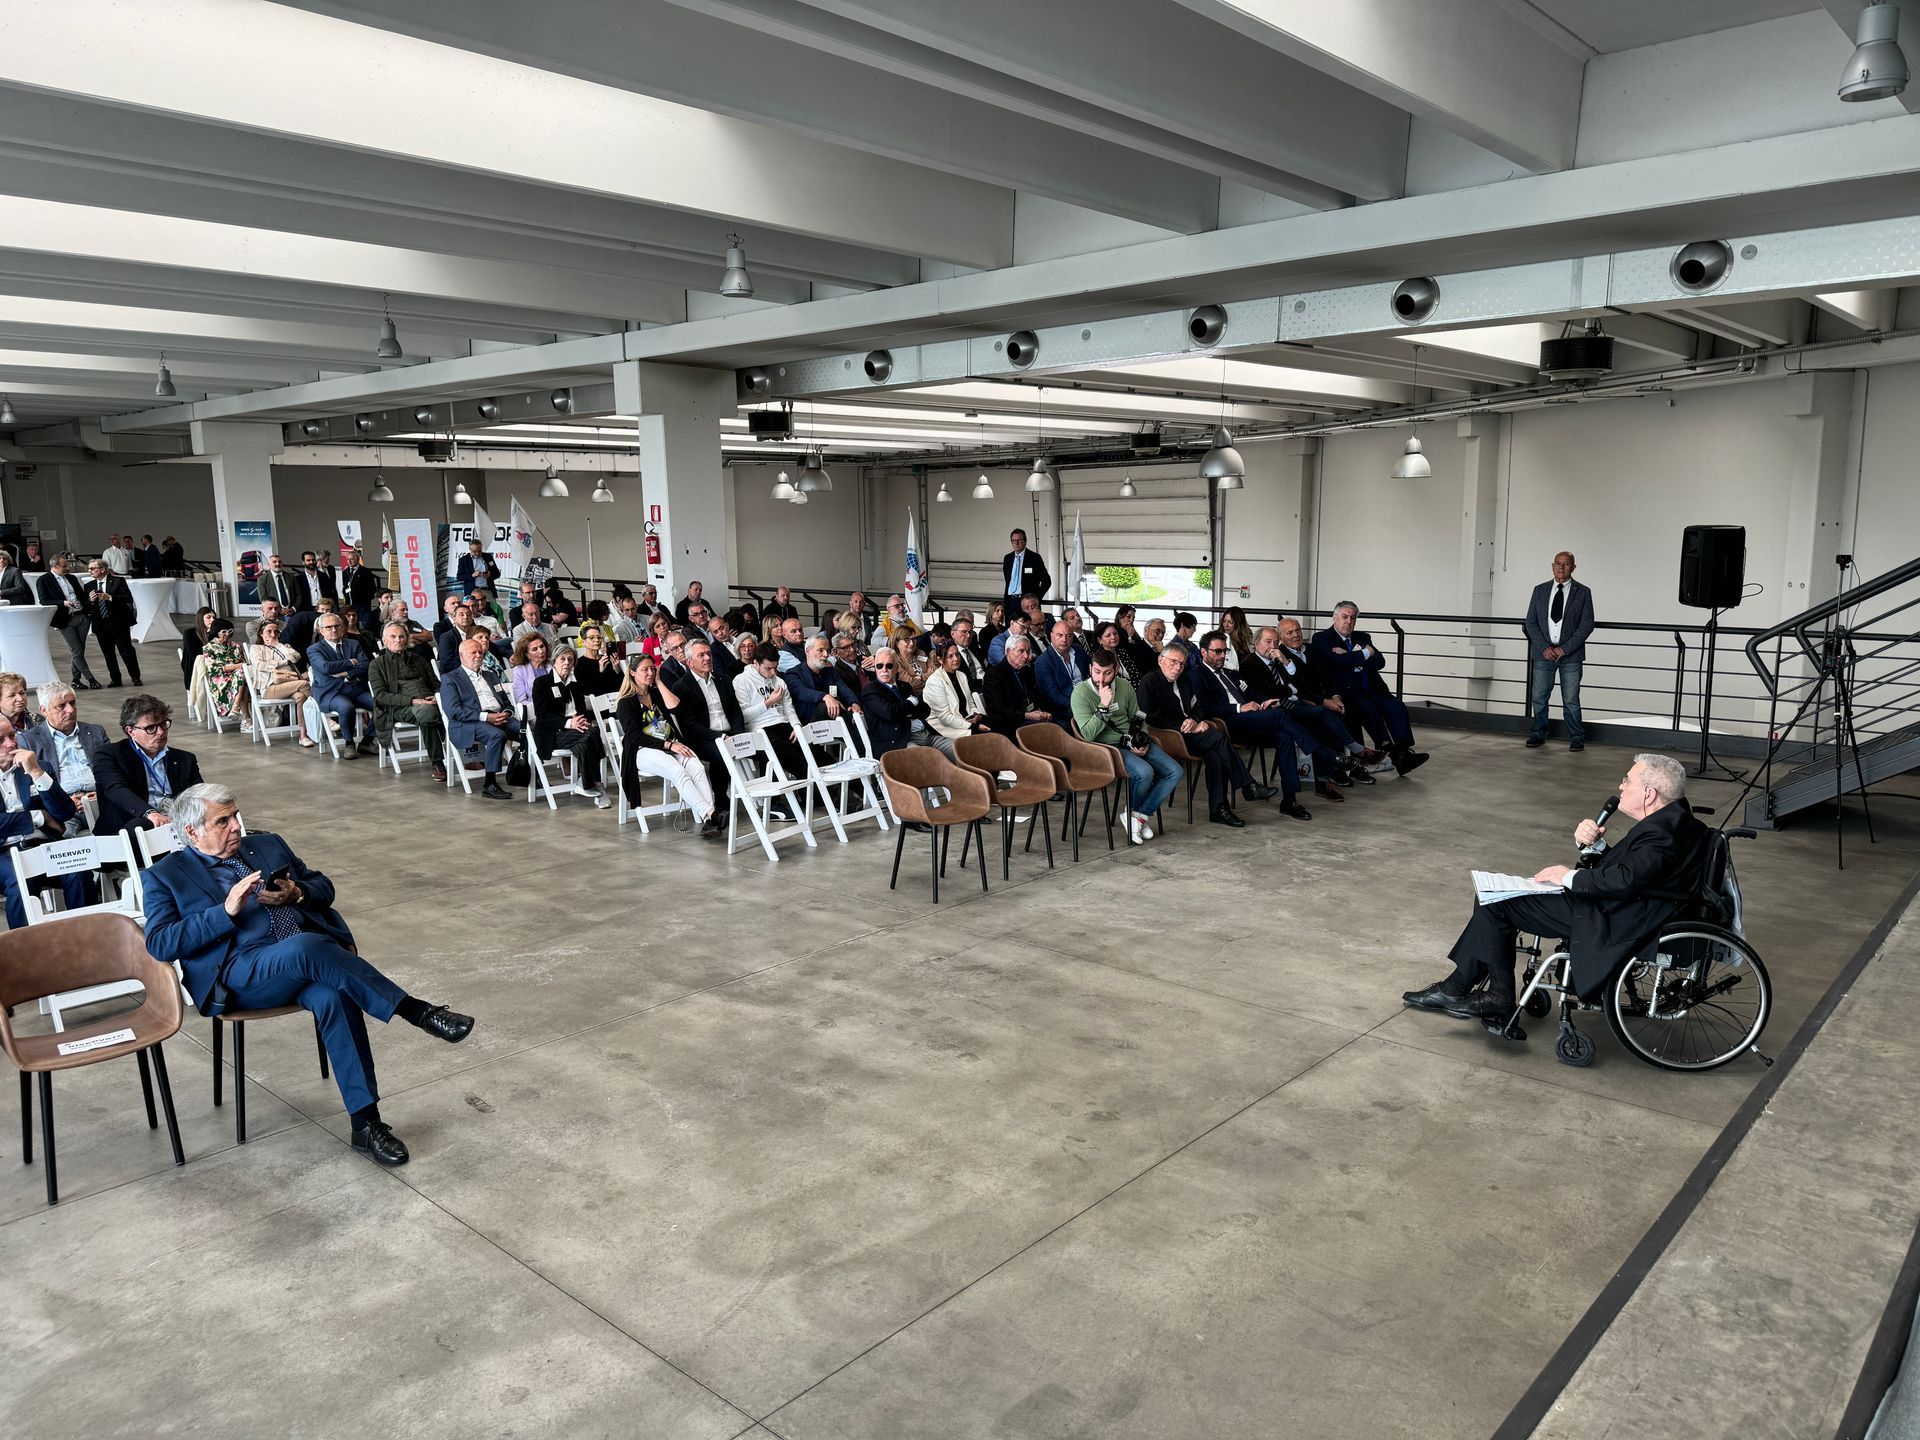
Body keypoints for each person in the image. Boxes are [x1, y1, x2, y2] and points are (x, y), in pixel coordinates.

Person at [142, 782, 475, 1167]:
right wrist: (225, 911)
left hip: (306, 962)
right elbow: (160, 943)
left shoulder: (267, 845)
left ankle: (366, 1124)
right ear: (192, 831)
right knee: (307, 947)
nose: (236, 826)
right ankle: (417, 1011)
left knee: (334, 995)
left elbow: (324, 887)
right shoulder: (165, 875)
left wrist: (297, 893)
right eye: (223, 821)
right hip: (239, 974)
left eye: (235, 816)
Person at [1405, 754, 1712, 1031]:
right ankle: (1456, 987)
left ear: (1649, 793)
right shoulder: (1675, 821)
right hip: (1624, 905)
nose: (1621, 786)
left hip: (1613, 916)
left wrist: (1567, 876)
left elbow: (1625, 880)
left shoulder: (1660, 833)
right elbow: (1638, 872)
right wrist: (1596, 847)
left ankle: (1496, 995)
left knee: (1495, 902)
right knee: (1494, 895)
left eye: (1627, 781)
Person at [1136, 642, 1276, 828]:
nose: (1178, 668)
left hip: (1192, 733)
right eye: (1173, 662)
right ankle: (1247, 785)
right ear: (1161, 660)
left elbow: (1198, 707)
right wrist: (1185, 727)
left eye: (1182, 663)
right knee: (1218, 738)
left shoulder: (1184, 680)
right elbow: (1152, 717)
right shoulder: (1149, 682)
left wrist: (1194, 720)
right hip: (1170, 736)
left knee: (1215, 754)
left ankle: (1219, 810)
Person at [1192, 630, 1336, 811]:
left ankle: (1289, 801)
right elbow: (1205, 708)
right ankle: (1323, 752)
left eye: (1225, 651)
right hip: (1228, 724)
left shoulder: (1231, 674)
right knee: (1280, 714)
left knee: (1284, 737)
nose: (1222, 656)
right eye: (1217, 651)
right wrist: (1239, 708)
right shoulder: (1197, 675)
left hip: (1251, 721)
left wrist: (1265, 702)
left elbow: (1251, 693)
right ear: (1204, 652)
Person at [1071, 648, 1182, 845]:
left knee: (1175, 771)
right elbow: (1087, 735)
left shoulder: (1124, 685)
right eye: (1097, 672)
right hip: (1105, 748)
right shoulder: (1080, 694)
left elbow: (1138, 717)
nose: (1101, 678)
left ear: (1116, 670)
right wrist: (1103, 707)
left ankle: (1138, 816)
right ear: (1090, 669)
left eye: (1107, 673)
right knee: (1144, 772)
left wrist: (1143, 739)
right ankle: (1137, 817)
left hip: (1131, 740)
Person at [1243, 625, 1381, 780]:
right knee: (1321, 712)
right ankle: (1350, 754)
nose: (1272, 646)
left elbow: (1298, 683)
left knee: (1333, 718)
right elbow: (1269, 691)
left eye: (1275, 643)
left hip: (1296, 704)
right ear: (1256, 643)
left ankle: (1333, 772)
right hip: (1280, 710)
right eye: (1268, 642)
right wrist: (1290, 689)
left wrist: (1285, 662)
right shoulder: (1249, 663)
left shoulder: (1278, 659)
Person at [1312, 603, 1429, 776]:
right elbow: (1337, 662)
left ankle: (1403, 752)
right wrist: (1365, 654)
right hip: (1347, 692)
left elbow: (1380, 661)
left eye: (1353, 618)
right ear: (1334, 617)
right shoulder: (1322, 638)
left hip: (1372, 689)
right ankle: (1390, 751)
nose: (1349, 621)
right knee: (1369, 708)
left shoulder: (1362, 637)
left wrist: (1349, 657)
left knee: (1395, 705)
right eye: (1345, 617)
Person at [0, 716, 91, 926]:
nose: (11, 744)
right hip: (4, 853)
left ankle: (85, 936)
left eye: (12, 735)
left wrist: (37, 773)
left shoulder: (39, 766)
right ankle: (22, 945)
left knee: (79, 871)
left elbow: (65, 812)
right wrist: (40, 817)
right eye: (0, 740)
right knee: (21, 884)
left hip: (44, 845)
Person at [616, 655, 714, 827]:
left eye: (652, 669)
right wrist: (668, 745)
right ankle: (711, 814)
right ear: (632, 673)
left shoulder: (655, 693)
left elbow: (676, 707)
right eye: (645, 669)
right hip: (642, 750)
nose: (650, 673)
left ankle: (710, 819)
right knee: (678, 771)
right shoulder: (626, 702)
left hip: (670, 745)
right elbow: (634, 736)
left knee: (696, 767)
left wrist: (659, 682)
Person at [91, 694, 203, 837]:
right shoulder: (109, 755)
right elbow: (116, 789)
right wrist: (149, 813)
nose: (160, 732)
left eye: (163, 724)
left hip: (178, 825)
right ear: (131, 731)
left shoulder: (184, 759)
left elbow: (200, 794)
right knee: (141, 825)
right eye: (151, 728)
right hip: (130, 828)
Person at [665, 637, 746, 827]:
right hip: (702, 738)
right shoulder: (682, 686)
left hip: (730, 733)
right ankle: (721, 798)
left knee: (767, 746)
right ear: (689, 662)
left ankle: (773, 800)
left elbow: (735, 711)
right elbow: (690, 724)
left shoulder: (723, 679)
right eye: (701, 655)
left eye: (708, 653)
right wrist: (720, 736)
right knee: (721, 752)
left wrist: (739, 733)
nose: (707, 658)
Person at [1525, 551, 1596, 753]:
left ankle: (1576, 737)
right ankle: (1538, 733)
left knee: (1571, 699)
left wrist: (1565, 648)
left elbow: (1587, 624)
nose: (1561, 567)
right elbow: (1531, 622)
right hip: (1544, 654)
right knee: (1539, 696)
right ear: (1552, 566)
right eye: (1558, 563)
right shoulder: (1539, 590)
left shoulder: (1583, 592)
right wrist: (1544, 647)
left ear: (1573, 567)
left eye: (1566, 564)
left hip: (1571, 655)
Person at [441, 636, 521, 800]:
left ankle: (524, 772)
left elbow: (506, 702)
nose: (478, 655)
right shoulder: (451, 678)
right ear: (462, 655)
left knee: (526, 731)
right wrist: (487, 717)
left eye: (480, 652)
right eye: (473, 652)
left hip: (499, 717)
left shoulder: (491, 675)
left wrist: (506, 712)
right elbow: (453, 711)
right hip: (470, 722)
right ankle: (490, 784)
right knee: (497, 735)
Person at [368, 620, 448, 780]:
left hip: (430, 701)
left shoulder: (417, 659)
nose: (398, 640)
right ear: (385, 641)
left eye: (401, 636)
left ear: (406, 639)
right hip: (399, 707)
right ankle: (438, 762)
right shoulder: (377, 664)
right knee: (427, 713)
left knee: (458, 708)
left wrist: (437, 695)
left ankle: (466, 756)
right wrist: (413, 701)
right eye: (393, 637)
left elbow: (436, 684)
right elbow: (381, 696)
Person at [531, 647, 610, 806]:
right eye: (563, 659)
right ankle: (595, 783)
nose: (566, 663)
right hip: (553, 734)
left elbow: (582, 712)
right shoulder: (542, 683)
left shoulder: (576, 685)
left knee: (585, 743)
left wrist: (582, 721)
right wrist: (569, 723)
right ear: (554, 661)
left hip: (578, 732)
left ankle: (587, 783)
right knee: (591, 733)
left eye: (570, 660)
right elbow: (542, 715)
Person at [22, 682, 108, 821]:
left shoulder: (95, 731)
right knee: (66, 833)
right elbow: (29, 784)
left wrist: (102, 794)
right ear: (44, 710)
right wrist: (63, 802)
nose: (70, 710)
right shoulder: (29, 740)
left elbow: (111, 769)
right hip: (62, 808)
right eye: (61, 706)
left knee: (128, 828)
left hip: (100, 800)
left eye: (72, 703)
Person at [245, 620, 319, 748]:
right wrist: (282, 663)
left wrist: (278, 645)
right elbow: (260, 665)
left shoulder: (284, 646)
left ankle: (303, 735)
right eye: (269, 631)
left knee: (301, 696)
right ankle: (324, 718)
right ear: (261, 633)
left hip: (289, 684)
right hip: (269, 688)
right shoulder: (256, 648)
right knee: (304, 684)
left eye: (276, 632)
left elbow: (295, 657)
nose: (273, 635)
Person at [308, 612, 375, 754]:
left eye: (336, 626)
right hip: (331, 692)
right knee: (346, 708)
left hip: (356, 688)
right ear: (321, 630)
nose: (333, 630)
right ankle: (349, 743)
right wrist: (350, 662)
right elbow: (326, 667)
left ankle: (367, 741)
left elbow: (365, 664)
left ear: (342, 627)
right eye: (328, 627)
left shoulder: (353, 644)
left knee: (382, 704)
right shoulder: (314, 649)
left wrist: (347, 673)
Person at [36, 553, 103, 689]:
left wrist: (89, 599)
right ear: (55, 566)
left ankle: (76, 680)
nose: (68, 567)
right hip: (64, 620)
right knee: (76, 650)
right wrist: (63, 602)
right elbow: (43, 601)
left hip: (82, 617)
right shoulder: (43, 580)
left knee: (79, 651)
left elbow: (82, 596)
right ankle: (91, 679)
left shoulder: (71, 578)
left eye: (68, 564)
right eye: (64, 566)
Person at [921, 638, 989, 760]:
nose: (956, 659)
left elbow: (970, 702)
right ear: (940, 660)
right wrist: (973, 727)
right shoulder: (935, 682)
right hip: (946, 728)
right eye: (950, 656)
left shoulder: (961, 675)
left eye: (957, 654)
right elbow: (945, 718)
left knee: (997, 727)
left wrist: (976, 715)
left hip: (965, 719)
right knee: (984, 741)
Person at [81, 557, 141, 688]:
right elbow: (86, 608)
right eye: (89, 569)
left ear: (102, 569)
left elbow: (128, 598)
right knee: (108, 653)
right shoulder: (89, 586)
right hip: (101, 625)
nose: (90, 571)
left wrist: (110, 597)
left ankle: (135, 677)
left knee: (126, 650)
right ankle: (115, 679)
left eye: (93, 568)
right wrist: (90, 601)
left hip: (118, 622)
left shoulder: (118, 581)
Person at [860, 647, 929, 756]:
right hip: (895, 743)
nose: (884, 670)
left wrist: (903, 711)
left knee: (954, 746)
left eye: (889, 666)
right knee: (928, 758)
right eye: (879, 666)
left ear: (897, 668)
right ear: (875, 668)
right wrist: (910, 703)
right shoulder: (870, 690)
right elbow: (889, 713)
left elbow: (925, 710)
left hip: (922, 733)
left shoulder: (904, 686)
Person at [984, 635, 1053, 738]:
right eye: (1021, 651)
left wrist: (1044, 712)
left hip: (1031, 716)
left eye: (1028, 651)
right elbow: (998, 709)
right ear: (1008, 651)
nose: (1026, 656)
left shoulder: (1026, 670)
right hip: (1012, 723)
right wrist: (1027, 715)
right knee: (1048, 729)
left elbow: (1038, 696)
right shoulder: (994, 675)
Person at [1034, 620, 1087, 724]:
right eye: (1059, 635)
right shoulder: (1043, 662)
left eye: (1068, 635)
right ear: (1051, 635)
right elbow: (1054, 697)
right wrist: (1080, 706)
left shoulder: (1078, 650)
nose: (1064, 640)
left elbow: (1092, 672)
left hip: (1087, 698)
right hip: (1065, 709)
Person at [201, 619, 251, 728]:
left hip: (238, 677)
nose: (227, 634)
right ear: (216, 632)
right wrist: (235, 666)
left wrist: (238, 667)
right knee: (242, 678)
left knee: (242, 677)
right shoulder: (209, 648)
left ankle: (239, 712)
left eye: (229, 631)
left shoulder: (235, 645)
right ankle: (242, 714)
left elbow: (243, 662)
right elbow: (213, 669)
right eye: (223, 632)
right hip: (220, 680)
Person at [337, 544, 379, 633]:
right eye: (347, 559)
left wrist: (364, 598)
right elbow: (344, 586)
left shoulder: (365, 572)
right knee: (349, 625)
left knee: (362, 625)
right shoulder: (345, 572)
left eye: (351, 559)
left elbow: (372, 589)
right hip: (349, 604)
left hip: (362, 605)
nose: (349, 561)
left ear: (357, 559)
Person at [1002, 527, 1051, 600]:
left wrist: (1036, 598)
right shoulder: (1007, 558)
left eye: (1019, 540)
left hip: (1028, 602)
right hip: (1010, 601)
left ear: (1025, 541)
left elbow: (1046, 581)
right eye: (1014, 540)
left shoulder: (1034, 558)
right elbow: (1008, 581)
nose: (1016, 543)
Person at [508, 632, 553, 706]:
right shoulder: (520, 671)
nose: (541, 651)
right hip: (536, 709)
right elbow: (521, 701)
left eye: (542, 646)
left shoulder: (553, 664)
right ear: (527, 654)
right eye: (535, 649)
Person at [180, 606, 218, 692]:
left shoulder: (214, 633)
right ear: (201, 619)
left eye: (214, 617)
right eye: (208, 617)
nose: (212, 619)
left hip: (212, 667)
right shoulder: (189, 634)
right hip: (194, 670)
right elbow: (196, 656)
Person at [575, 627, 619, 695]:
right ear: (583, 642)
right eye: (592, 637)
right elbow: (588, 692)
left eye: (599, 637)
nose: (597, 640)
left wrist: (617, 670)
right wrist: (600, 671)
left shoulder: (607, 658)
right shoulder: (578, 664)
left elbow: (620, 685)